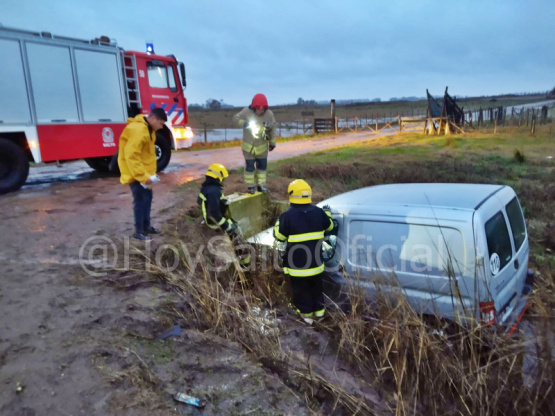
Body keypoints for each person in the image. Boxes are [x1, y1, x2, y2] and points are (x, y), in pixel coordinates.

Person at [273, 179, 334, 324]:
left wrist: (278, 222)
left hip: (298, 266)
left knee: (302, 292)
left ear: (291, 195)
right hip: (317, 264)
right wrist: (328, 213)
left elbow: (279, 237)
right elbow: (330, 227)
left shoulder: (287, 216)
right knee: (317, 290)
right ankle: (320, 316)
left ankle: (307, 321)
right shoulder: (319, 212)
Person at [118, 107, 167, 241]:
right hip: (137, 175)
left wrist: (149, 175)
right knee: (140, 201)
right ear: (153, 119)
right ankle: (138, 231)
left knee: (147, 199)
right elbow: (132, 156)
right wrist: (142, 177)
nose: (162, 127)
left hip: (144, 175)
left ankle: (146, 227)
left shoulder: (147, 129)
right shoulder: (139, 130)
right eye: (161, 123)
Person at [197, 163, 250, 268]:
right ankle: (245, 264)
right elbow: (215, 214)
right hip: (214, 223)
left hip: (208, 219)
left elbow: (201, 202)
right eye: (223, 178)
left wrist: (221, 202)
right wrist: (227, 226)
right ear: (218, 176)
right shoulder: (214, 192)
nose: (223, 180)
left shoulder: (207, 188)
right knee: (237, 232)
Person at [232, 93, 276, 194]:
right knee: (250, 168)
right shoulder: (246, 112)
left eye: (262, 109)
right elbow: (235, 119)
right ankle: (250, 187)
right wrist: (244, 123)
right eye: (258, 109)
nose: (260, 111)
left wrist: (272, 143)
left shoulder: (269, 114)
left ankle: (261, 186)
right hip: (249, 149)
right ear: (253, 107)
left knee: (262, 168)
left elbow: (273, 128)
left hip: (262, 149)